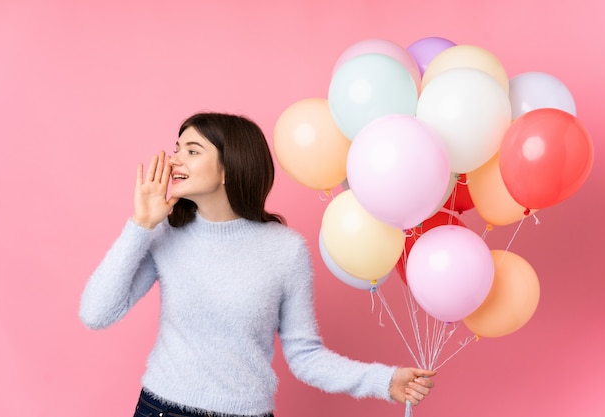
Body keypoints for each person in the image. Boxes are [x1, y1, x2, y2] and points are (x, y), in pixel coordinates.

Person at [79, 112, 435, 417]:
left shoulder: (286, 250)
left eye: (192, 150)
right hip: (161, 409)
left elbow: (305, 356)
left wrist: (384, 381)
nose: (174, 161)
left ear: (227, 169)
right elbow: (96, 313)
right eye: (176, 149)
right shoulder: (164, 234)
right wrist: (140, 225)